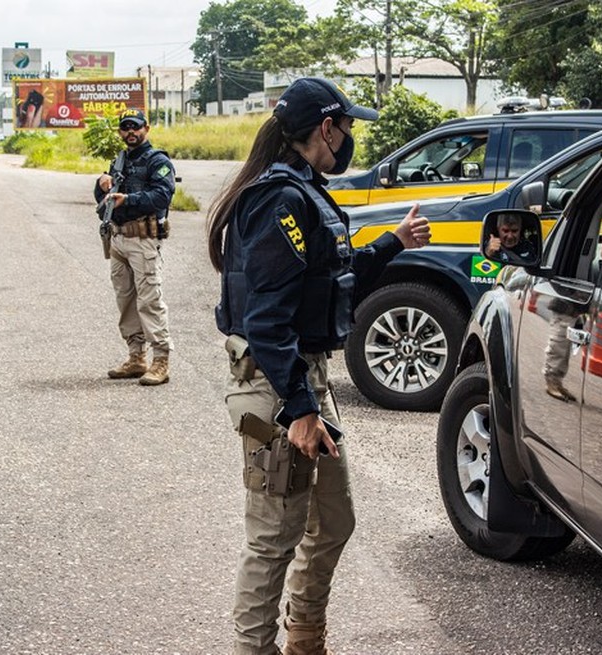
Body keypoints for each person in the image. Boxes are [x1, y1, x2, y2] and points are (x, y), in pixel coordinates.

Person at [206, 77, 431, 655]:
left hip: (305, 378)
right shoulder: (279, 198)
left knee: (333, 519)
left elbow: (330, 277)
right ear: (326, 129)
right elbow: (266, 320)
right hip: (276, 387)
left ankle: (305, 637)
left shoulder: (302, 191)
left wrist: (393, 243)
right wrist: (300, 411)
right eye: (349, 126)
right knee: (273, 538)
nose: (352, 137)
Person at [94, 108, 175, 385]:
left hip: (143, 240)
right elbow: (104, 199)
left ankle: (160, 360)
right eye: (125, 127)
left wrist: (127, 200)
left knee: (149, 300)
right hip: (118, 239)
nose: (131, 132)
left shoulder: (157, 161)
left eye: (136, 127)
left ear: (146, 128)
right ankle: (136, 357)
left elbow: (162, 195)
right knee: (125, 300)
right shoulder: (119, 160)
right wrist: (101, 184)